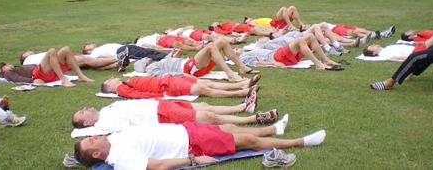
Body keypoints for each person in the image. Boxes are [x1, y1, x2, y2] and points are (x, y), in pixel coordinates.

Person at [73, 119, 327, 169]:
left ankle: (273, 128)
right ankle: (301, 142)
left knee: (228, 128)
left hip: (184, 130)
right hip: (191, 143)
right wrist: (193, 160)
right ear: (96, 153)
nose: (94, 136)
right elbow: (158, 166)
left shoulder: (111, 140)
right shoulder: (120, 159)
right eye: (91, 140)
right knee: (247, 141)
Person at [71, 98, 278, 131]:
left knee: (203, 106)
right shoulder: (104, 122)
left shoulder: (106, 110)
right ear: (87, 122)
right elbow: (127, 129)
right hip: (160, 115)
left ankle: (242, 107)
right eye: (81, 113)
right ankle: (254, 118)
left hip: (160, 105)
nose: (84, 108)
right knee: (208, 118)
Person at [134, 38, 259, 82]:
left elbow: (170, 64)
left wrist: (176, 55)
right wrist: (184, 75)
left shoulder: (159, 62)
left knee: (221, 41)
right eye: (145, 60)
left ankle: (241, 67)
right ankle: (230, 74)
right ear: (144, 64)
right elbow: (167, 75)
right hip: (189, 69)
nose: (147, 58)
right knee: (210, 46)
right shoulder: (151, 68)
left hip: (191, 64)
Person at [100, 74, 261, 99]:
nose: (113, 78)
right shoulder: (121, 88)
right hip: (166, 86)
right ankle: (242, 92)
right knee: (203, 89)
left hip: (169, 79)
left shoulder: (125, 82)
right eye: (110, 80)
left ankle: (242, 84)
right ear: (109, 87)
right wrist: (159, 96)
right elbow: (138, 95)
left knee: (205, 83)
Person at [0, 47, 94, 87]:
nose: (9, 65)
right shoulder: (8, 73)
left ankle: (81, 75)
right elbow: (17, 79)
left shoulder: (18, 68)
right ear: (3, 69)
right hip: (38, 75)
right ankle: (63, 79)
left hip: (47, 72)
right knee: (51, 51)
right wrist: (32, 81)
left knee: (66, 49)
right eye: (6, 66)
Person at [239, 34, 342, 71]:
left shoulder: (250, 50)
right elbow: (255, 63)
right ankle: (318, 64)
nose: (236, 49)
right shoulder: (242, 57)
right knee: (300, 41)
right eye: (235, 51)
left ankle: (326, 60)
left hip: (278, 53)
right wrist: (273, 64)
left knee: (310, 36)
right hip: (276, 57)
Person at [20, 50, 121, 71]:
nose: (30, 51)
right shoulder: (29, 59)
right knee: (84, 59)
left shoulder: (31, 61)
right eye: (27, 52)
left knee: (86, 64)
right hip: (56, 62)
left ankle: (115, 65)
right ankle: (117, 58)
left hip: (54, 66)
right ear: (24, 56)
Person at [166, 26, 248, 44]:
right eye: (167, 30)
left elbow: (191, 26)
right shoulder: (170, 34)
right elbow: (180, 39)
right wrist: (180, 34)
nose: (168, 29)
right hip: (192, 34)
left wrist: (183, 29)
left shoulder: (179, 29)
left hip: (196, 30)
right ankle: (228, 42)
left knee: (216, 34)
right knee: (209, 37)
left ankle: (237, 40)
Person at [135, 33, 202, 51]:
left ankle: (202, 46)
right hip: (162, 40)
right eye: (140, 36)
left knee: (187, 41)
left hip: (166, 37)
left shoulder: (147, 37)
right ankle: (196, 48)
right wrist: (156, 47)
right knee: (178, 44)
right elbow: (146, 45)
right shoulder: (139, 42)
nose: (141, 35)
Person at [208, 21, 277, 37]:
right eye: (213, 23)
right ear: (213, 26)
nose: (215, 22)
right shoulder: (216, 28)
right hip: (237, 28)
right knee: (254, 29)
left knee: (256, 26)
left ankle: (273, 31)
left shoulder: (221, 24)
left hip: (240, 25)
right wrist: (232, 33)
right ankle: (270, 34)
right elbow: (224, 32)